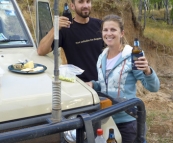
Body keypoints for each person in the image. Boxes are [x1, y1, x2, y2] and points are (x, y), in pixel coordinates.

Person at [86, 14, 160, 143]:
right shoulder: (101, 57)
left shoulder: (132, 56)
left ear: (122, 33)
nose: (109, 33)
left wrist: (148, 70)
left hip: (128, 122)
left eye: (113, 30)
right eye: (105, 30)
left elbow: (153, 87)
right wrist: (93, 84)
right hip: (106, 119)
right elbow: (105, 85)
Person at [37, 0, 104, 82]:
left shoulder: (100, 25)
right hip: (81, 84)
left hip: (102, 83)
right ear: (72, 6)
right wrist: (54, 28)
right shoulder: (65, 29)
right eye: (81, 2)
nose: (85, 5)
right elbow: (41, 50)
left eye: (88, 1)